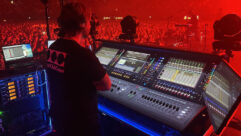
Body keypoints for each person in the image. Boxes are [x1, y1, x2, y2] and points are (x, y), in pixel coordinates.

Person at [46, 2, 111, 136]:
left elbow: (69, 76)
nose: (91, 24)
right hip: (81, 125)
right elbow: (106, 85)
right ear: (82, 23)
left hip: (61, 120)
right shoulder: (83, 55)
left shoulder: (53, 48)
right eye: (89, 20)